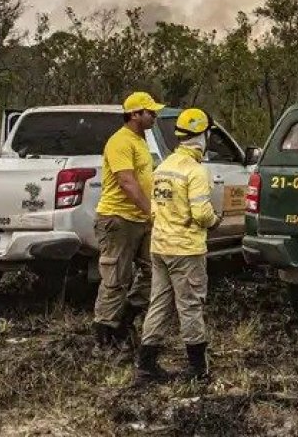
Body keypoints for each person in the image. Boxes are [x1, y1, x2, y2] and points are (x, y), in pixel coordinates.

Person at [136, 108, 219, 383]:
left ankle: (146, 363)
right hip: (186, 250)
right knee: (191, 306)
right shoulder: (195, 171)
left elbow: (155, 209)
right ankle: (198, 367)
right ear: (202, 136)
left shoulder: (164, 167)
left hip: (160, 246)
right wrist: (214, 220)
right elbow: (201, 214)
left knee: (158, 302)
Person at [93, 91, 163, 348]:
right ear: (135, 114)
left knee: (153, 272)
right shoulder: (120, 142)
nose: (154, 116)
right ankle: (105, 335)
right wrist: (151, 211)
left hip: (141, 219)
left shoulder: (141, 140)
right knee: (116, 280)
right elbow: (127, 182)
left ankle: (125, 320)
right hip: (119, 219)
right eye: (150, 112)